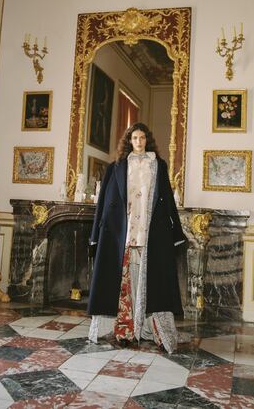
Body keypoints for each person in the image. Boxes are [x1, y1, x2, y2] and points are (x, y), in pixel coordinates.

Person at [87, 122, 187, 353]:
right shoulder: (116, 167)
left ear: (147, 140)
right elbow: (103, 203)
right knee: (119, 280)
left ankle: (151, 330)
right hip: (121, 231)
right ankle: (124, 328)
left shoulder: (158, 166)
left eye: (142, 138)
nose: (139, 142)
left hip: (151, 230)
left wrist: (176, 233)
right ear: (129, 141)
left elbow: (168, 200)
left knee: (154, 281)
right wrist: (95, 234)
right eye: (135, 138)